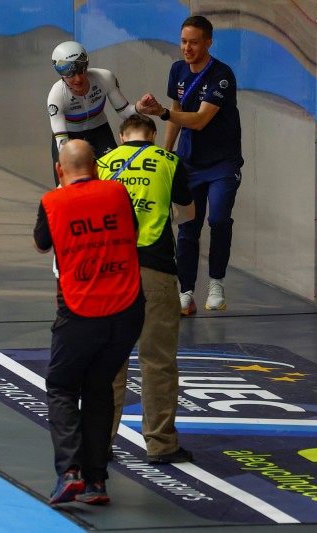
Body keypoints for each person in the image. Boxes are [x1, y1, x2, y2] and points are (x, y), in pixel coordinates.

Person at [33, 139, 145, 504]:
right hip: (128, 311)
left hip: (81, 311)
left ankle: (70, 473)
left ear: (59, 171)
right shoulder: (117, 193)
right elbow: (135, 232)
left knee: (63, 386)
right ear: (96, 167)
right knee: (99, 388)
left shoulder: (52, 201)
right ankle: (97, 482)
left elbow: (41, 244)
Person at [97, 115, 195, 464]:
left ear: (122, 136)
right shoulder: (170, 163)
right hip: (155, 269)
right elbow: (187, 213)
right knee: (158, 361)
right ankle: (160, 444)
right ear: (153, 136)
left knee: (109, 361)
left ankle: (99, 442)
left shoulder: (102, 163)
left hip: (110, 273)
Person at [137, 15, 243, 315]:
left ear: (208, 42)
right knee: (187, 229)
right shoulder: (177, 70)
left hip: (222, 163)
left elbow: (198, 120)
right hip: (190, 164)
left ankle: (216, 282)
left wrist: (161, 113)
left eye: (194, 42)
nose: (187, 48)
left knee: (219, 219)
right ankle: (185, 291)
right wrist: (166, 155)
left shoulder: (222, 75)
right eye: (183, 41)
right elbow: (177, 110)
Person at [47, 41, 142, 187]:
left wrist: (139, 108)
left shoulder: (104, 78)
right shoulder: (56, 95)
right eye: (70, 74)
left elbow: (124, 112)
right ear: (61, 74)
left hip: (100, 132)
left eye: (82, 70)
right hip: (69, 137)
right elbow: (62, 143)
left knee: (114, 179)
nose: (78, 79)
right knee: (69, 186)